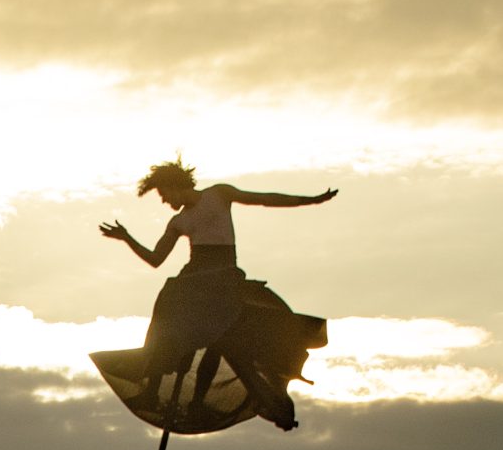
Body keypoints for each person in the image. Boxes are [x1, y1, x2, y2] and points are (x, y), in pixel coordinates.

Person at [98, 161, 334, 429]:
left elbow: (265, 199)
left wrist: (312, 200)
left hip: (223, 279)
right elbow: (155, 259)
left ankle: (198, 401)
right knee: (174, 318)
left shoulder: (219, 194)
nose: (165, 201)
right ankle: (153, 387)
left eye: (164, 194)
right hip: (194, 280)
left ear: (175, 185)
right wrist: (126, 237)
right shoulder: (178, 221)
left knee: (221, 338)